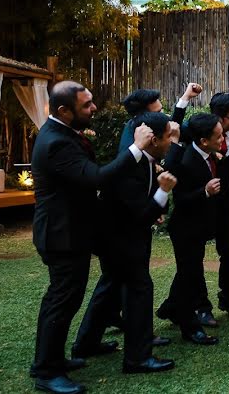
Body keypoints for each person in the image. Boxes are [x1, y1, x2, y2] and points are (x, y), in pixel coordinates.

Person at [29, 81, 152, 394]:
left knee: (67, 298)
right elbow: (94, 177)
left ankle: (60, 355)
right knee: (61, 300)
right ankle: (46, 370)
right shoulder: (56, 142)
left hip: (77, 230)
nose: (94, 108)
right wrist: (136, 148)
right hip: (61, 235)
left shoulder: (63, 134)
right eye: (86, 105)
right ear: (63, 111)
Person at [72, 111, 177, 375]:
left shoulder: (144, 161)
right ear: (153, 140)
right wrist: (163, 193)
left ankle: (85, 343)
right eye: (168, 138)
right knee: (139, 290)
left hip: (116, 237)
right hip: (121, 240)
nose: (171, 143)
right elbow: (141, 216)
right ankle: (137, 358)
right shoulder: (132, 167)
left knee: (109, 289)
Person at [156, 113, 224, 345]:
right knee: (190, 277)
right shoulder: (188, 159)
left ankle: (169, 308)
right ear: (204, 140)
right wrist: (204, 191)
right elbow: (181, 199)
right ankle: (191, 328)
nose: (223, 138)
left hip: (199, 227)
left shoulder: (207, 154)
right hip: (185, 228)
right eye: (218, 135)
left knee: (188, 272)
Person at [117, 83, 201, 153]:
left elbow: (173, 126)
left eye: (162, 110)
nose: (163, 115)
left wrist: (186, 97)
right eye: (158, 112)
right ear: (143, 117)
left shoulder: (153, 125)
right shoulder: (130, 146)